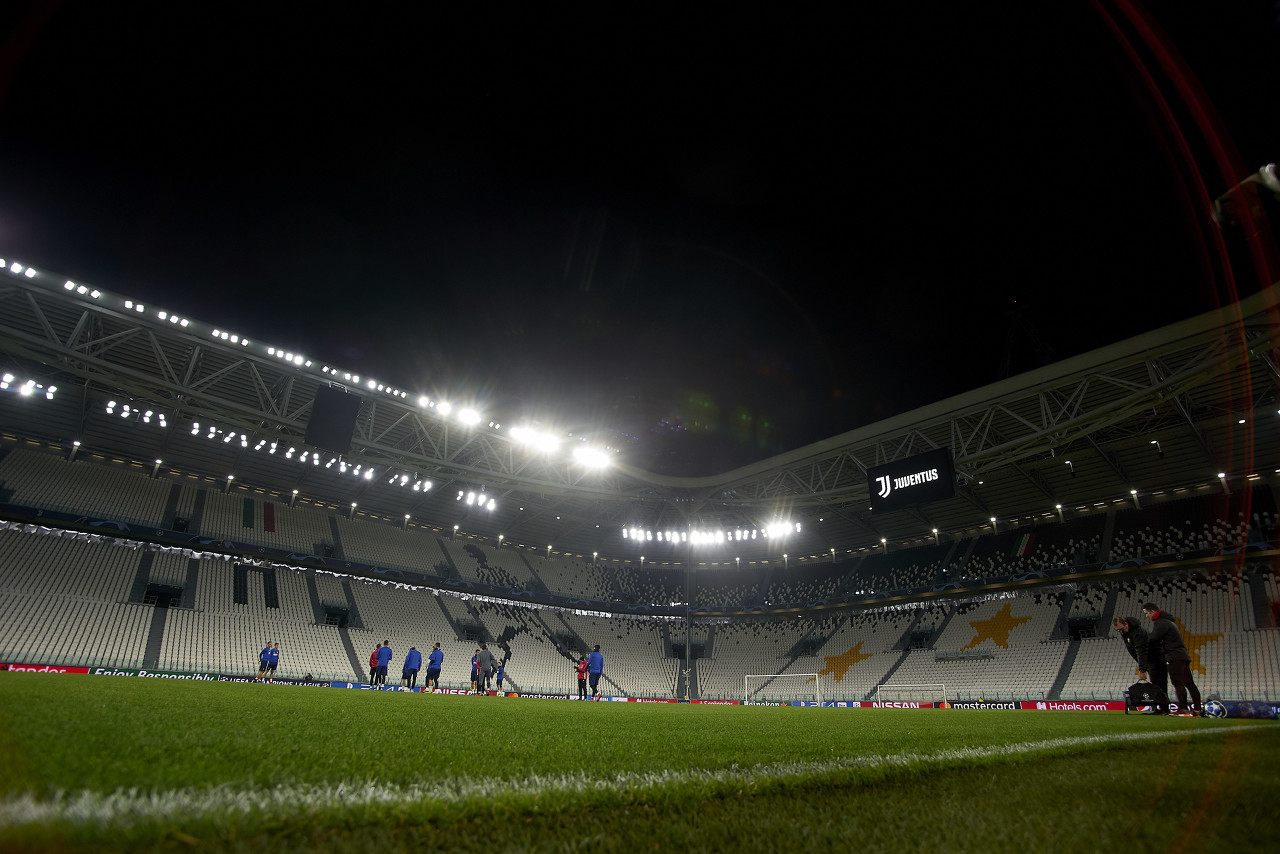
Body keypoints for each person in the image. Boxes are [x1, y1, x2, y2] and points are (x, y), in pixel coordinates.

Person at [1143, 603, 1203, 716]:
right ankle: (1197, 709)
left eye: (1146, 613)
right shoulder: (1168, 622)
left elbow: (1153, 639)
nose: (1146, 616)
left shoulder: (1161, 623)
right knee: (1189, 683)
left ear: (1152, 612)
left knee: (1177, 682)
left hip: (1174, 656)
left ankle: (1183, 708)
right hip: (1182, 655)